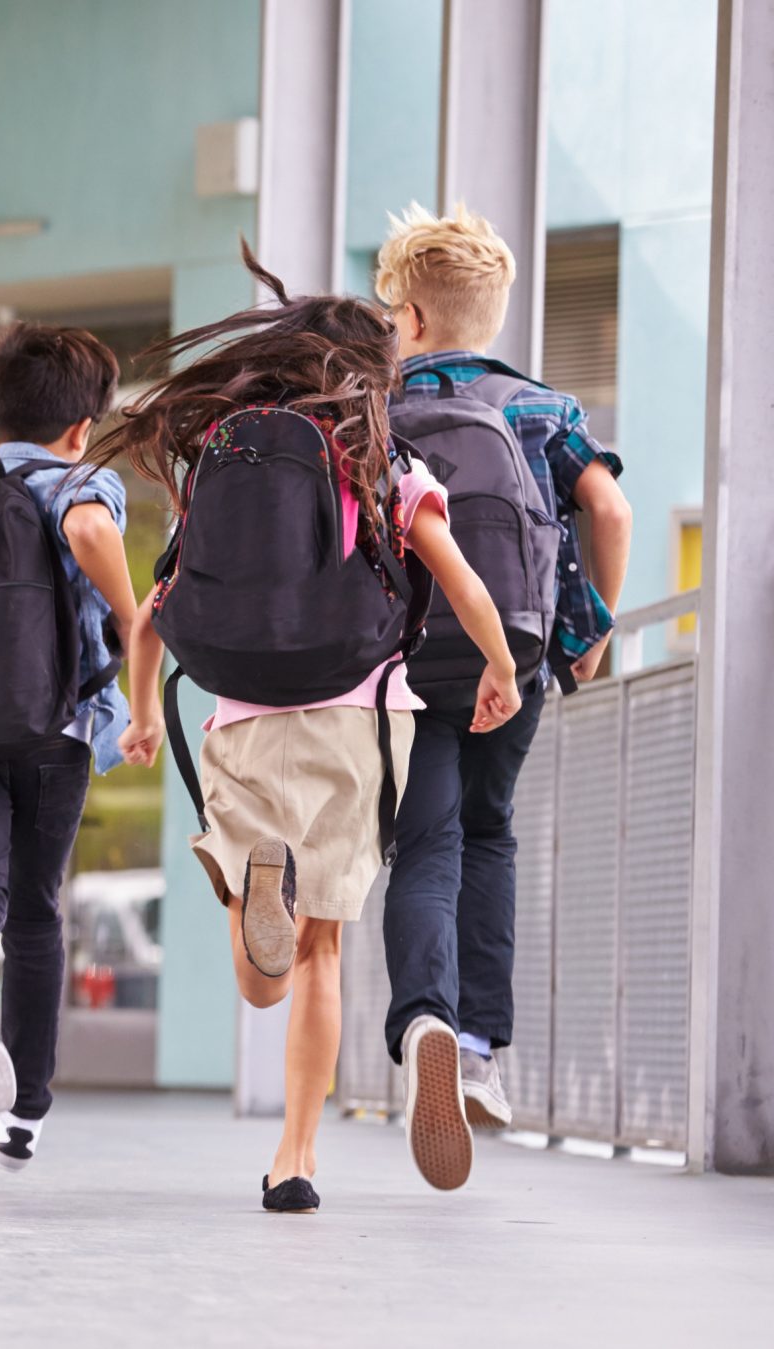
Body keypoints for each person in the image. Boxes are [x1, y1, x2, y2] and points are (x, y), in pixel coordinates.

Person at [104, 248, 522, 1213]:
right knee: (323, 949)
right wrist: (499, 668)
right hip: (357, 718)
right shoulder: (386, 463)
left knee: (264, 976)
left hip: (243, 719)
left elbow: (152, 617)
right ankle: (298, 1155)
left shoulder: (225, 458)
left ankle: (264, 900)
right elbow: (461, 580)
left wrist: (141, 713)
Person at [371, 204, 634, 1141]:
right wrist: (589, 630)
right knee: (488, 833)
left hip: (402, 661)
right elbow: (610, 512)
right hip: (512, 660)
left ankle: (425, 1020)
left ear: (409, 316)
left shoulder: (373, 412)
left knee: (424, 843)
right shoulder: (542, 407)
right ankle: (479, 1050)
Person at [0, 323, 139, 1173]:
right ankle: (24, 1114)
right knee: (38, 909)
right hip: (52, 729)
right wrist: (134, 620)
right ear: (82, 427)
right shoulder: (84, 483)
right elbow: (90, 534)